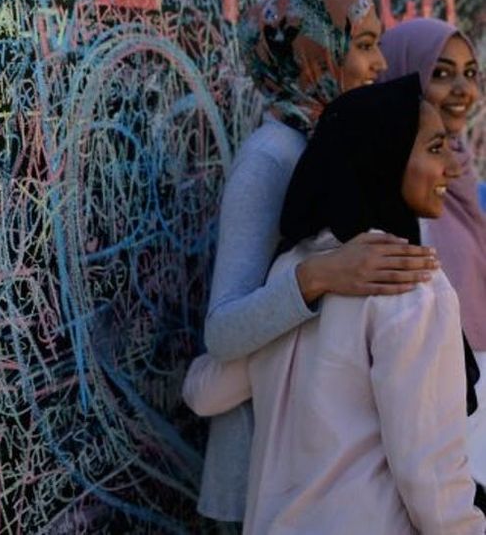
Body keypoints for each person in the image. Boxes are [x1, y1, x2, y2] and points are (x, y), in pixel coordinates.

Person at [184, 74, 483, 533]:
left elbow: (204, 391)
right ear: (384, 155)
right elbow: (431, 476)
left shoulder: (291, 273)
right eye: (434, 148)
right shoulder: (408, 285)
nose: (452, 167)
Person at [199, 0, 439, 519]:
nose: (380, 63)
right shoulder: (270, 159)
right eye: (364, 45)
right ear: (313, 54)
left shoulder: (330, 142)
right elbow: (223, 331)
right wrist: (318, 276)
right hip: (259, 469)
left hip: (315, 463)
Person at [378, 17, 486, 490]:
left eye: (470, 73)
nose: (462, 89)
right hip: (438, 423)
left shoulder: (459, 174)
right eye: (441, 73)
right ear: (405, 75)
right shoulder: (399, 193)